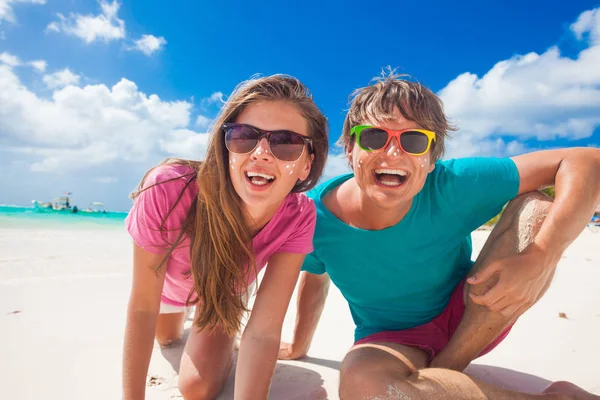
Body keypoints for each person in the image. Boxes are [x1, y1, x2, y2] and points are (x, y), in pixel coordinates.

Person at [280, 72, 600, 399]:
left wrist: (541, 256)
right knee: (362, 385)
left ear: (432, 159)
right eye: (375, 137)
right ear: (350, 150)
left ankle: (448, 365)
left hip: (474, 312)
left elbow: (588, 163)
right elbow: (315, 275)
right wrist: (299, 346)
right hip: (389, 339)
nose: (392, 153)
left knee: (536, 209)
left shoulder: (452, 184)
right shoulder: (314, 215)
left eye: (414, 140)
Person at [122, 74, 329, 400]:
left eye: (286, 143)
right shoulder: (168, 189)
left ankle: (216, 325)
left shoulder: (298, 215)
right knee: (167, 338)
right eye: (245, 136)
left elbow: (262, 332)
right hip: (168, 291)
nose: (261, 153)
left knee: (197, 388)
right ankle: (188, 322)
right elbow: (144, 307)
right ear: (226, 147)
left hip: (224, 293)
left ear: (306, 164)